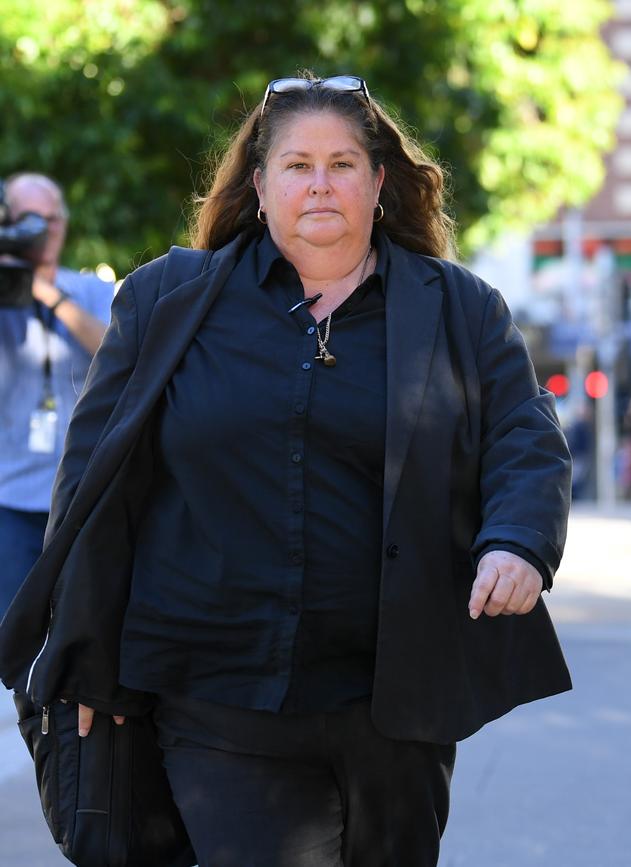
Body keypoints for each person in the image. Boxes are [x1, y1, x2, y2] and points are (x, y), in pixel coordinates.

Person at [0, 76, 572, 866]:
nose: (320, 183)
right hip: (214, 693)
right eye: (297, 165)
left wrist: (517, 541)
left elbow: (524, 433)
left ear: (379, 184)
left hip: (395, 697)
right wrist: (83, 650)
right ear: (260, 186)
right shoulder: (170, 299)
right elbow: (93, 482)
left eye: (342, 164)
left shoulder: (460, 308)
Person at [0, 173, 113, 618]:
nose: (41, 232)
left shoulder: (90, 291)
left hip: (77, 497)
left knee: (73, 628)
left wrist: (44, 292)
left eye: (51, 220)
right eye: (29, 220)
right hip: (8, 498)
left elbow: (114, 352)